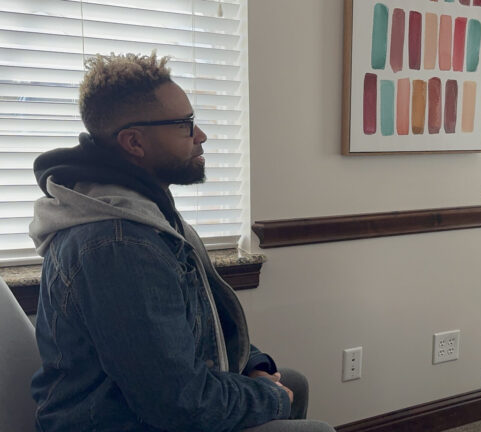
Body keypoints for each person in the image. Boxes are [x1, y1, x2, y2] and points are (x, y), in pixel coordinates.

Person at [28, 52, 335, 432]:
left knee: (291, 381)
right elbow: (179, 406)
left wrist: (254, 365)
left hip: (145, 406)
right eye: (185, 125)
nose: (201, 135)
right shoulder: (119, 244)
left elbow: (198, 324)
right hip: (115, 422)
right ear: (134, 142)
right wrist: (271, 397)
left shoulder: (141, 210)